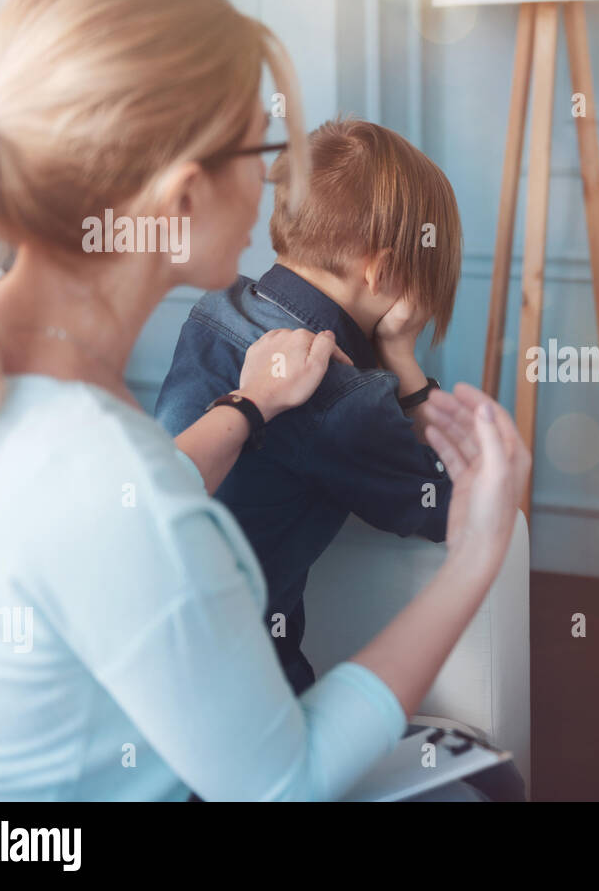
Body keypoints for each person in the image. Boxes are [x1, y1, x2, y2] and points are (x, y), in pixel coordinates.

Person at [0, 0, 529, 801]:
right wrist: (482, 552)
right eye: (263, 149)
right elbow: (286, 782)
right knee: (485, 781)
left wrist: (245, 407)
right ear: (181, 198)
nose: (277, 184)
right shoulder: (103, 473)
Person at [154, 118, 460, 698]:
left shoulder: (216, 308)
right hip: (247, 693)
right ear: (388, 271)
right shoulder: (344, 397)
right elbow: (455, 506)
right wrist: (402, 357)